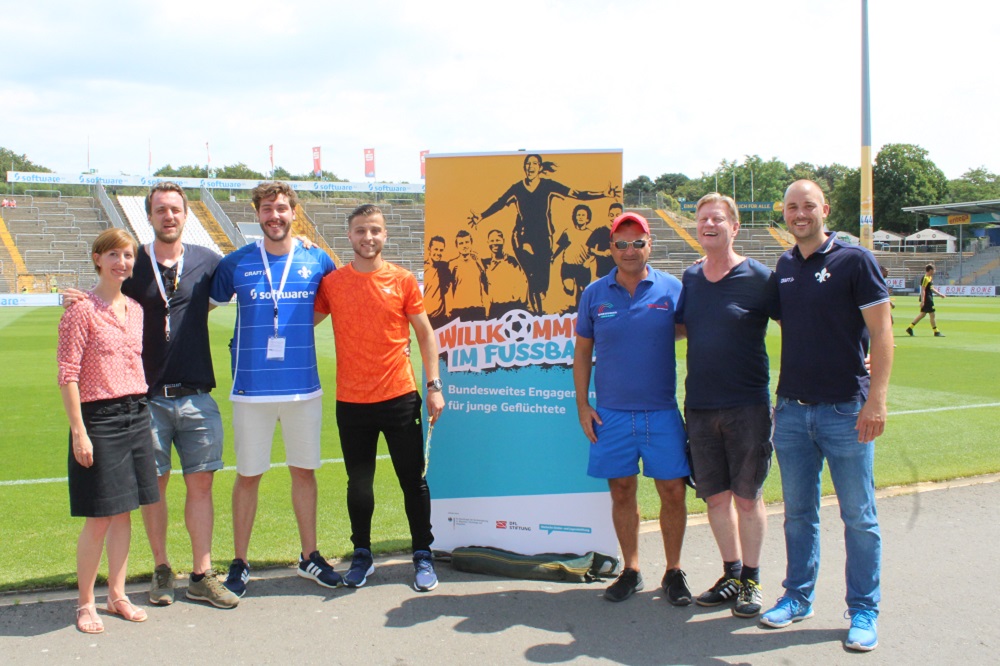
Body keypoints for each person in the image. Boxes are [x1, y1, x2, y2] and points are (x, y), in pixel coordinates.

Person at [64, 182, 237, 609]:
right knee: (153, 489)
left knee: (202, 486)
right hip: (146, 399)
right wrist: (76, 297)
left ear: (186, 215)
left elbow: (241, 278)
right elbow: (105, 295)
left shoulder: (207, 260)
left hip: (197, 393)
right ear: (149, 216)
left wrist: (302, 244)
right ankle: (162, 568)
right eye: (161, 209)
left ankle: (202, 573)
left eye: (175, 209)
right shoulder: (134, 260)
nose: (169, 216)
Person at [759, 180, 893, 653]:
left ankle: (863, 609)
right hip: (793, 411)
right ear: (784, 213)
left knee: (859, 516)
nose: (800, 214)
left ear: (825, 210)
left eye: (808, 206)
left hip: (846, 410)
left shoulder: (855, 260)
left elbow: (882, 331)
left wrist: (876, 401)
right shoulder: (785, 265)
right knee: (798, 515)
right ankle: (798, 597)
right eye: (792, 207)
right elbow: (789, 320)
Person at [209, 181, 340, 597]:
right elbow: (196, 307)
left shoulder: (318, 258)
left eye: (281, 208)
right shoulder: (236, 263)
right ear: (257, 214)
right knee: (248, 475)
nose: (274, 216)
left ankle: (309, 556)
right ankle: (240, 561)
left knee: (304, 472)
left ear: (293, 212)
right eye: (267, 209)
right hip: (251, 389)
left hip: (303, 388)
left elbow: (341, 300)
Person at [314, 204, 445, 592]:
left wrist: (434, 385)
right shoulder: (333, 283)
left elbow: (425, 333)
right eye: (360, 230)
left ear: (385, 235)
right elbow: (302, 321)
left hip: (399, 397)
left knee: (413, 481)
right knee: (359, 484)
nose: (367, 237)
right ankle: (362, 554)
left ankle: (422, 553)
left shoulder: (402, 280)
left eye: (374, 230)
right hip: (351, 401)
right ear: (349, 236)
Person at [573, 212, 692, 605]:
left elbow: (692, 330)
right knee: (622, 490)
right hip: (612, 414)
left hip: (661, 411)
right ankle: (632, 569)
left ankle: (673, 571)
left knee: (672, 491)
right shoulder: (594, 293)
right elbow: (582, 353)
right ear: (611, 248)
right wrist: (583, 405)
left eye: (637, 242)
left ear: (649, 245)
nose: (629, 250)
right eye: (621, 244)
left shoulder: (672, 288)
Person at [675, 193, 779, 618]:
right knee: (716, 499)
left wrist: (858, 351)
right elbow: (679, 328)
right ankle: (732, 574)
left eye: (717, 218)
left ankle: (752, 580)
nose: (709, 225)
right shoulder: (690, 277)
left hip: (747, 406)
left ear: (735, 227)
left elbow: (802, 324)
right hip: (700, 407)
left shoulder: (759, 277)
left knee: (747, 498)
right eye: (703, 219)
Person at [58, 228, 159, 634]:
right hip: (99, 419)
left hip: (137, 413)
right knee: (99, 517)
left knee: (124, 512)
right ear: (97, 259)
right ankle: (85, 603)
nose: (122, 262)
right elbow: (67, 374)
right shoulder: (80, 311)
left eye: (128, 255)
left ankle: (117, 595)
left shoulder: (135, 309)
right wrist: (79, 432)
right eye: (113, 254)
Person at [469, 153, 619, 314]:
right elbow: (499, 203)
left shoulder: (548, 186)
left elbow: (576, 194)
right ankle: (536, 312)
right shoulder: (517, 188)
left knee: (542, 284)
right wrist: (481, 216)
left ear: (540, 168)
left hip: (544, 237)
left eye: (534, 163)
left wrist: (603, 193)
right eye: (528, 164)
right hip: (522, 236)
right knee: (531, 273)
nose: (530, 167)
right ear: (524, 167)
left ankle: (538, 301)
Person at [552, 204, 597, 311]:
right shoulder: (568, 232)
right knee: (569, 288)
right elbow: (560, 246)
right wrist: (553, 257)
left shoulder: (591, 234)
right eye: (578, 215)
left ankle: (578, 311)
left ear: (587, 218)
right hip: (568, 265)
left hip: (583, 267)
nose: (580, 217)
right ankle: (568, 290)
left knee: (582, 290)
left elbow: (594, 253)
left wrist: (588, 261)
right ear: (575, 217)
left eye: (583, 215)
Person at [482, 229, 528, 318]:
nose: (495, 243)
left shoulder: (512, 261)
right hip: (495, 308)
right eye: (492, 241)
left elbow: (523, 282)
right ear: (488, 242)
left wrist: (522, 304)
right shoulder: (485, 264)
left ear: (503, 241)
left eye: (497, 240)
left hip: (511, 307)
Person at [448, 229, 488, 321]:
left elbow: (485, 285)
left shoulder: (478, 262)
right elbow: (448, 289)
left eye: (467, 242)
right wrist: (449, 309)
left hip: (477, 308)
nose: (464, 246)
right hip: (459, 309)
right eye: (461, 243)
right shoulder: (452, 264)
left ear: (471, 243)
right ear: (457, 246)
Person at [905, 263, 946, 337]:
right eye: (934, 269)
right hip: (927, 298)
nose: (935, 271)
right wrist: (923, 301)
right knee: (932, 314)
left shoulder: (930, 277)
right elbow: (923, 290)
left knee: (923, 314)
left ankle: (910, 328)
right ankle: (936, 331)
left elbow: (931, 288)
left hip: (928, 297)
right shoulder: (925, 278)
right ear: (930, 270)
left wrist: (939, 294)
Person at [586, 202, 621, 278]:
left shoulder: (625, 232)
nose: (614, 218)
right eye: (611, 215)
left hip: (620, 273)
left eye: (617, 215)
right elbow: (589, 249)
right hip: (602, 273)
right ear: (608, 216)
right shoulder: (599, 231)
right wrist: (601, 253)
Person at [423, 236, 452, 328]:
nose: (438, 253)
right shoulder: (424, 268)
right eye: (436, 249)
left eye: (441, 250)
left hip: (441, 316)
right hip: (426, 317)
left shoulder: (445, 268)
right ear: (429, 249)